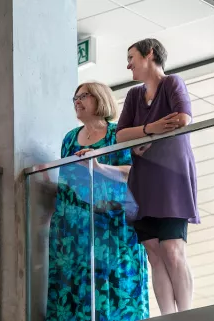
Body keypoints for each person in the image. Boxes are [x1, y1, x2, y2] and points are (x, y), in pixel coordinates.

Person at [46, 82, 149, 321]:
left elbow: (132, 172)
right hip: (75, 225)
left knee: (116, 280)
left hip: (114, 221)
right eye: (74, 98)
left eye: (83, 96)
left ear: (100, 98)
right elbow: (65, 182)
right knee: (74, 283)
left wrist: (98, 165)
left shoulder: (118, 133)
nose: (77, 101)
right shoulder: (70, 138)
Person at [116, 38, 199, 315]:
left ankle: (186, 314)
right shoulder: (133, 96)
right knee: (154, 253)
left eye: (131, 57)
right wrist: (152, 128)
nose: (128, 65)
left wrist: (140, 134)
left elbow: (183, 118)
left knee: (173, 250)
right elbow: (120, 135)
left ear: (149, 53)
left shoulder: (172, 82)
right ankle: (167, 315)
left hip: (171, 180)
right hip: (143, 182)